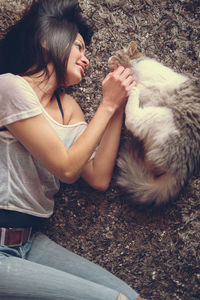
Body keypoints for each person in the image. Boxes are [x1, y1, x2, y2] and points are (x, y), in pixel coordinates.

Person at [0, 0, 144, 299]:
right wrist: (105, 105)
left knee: (130, 296)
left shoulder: (69, 108)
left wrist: (116, 104)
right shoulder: (10, 88)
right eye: (79, 46)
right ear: (46, 41)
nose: (86, 58)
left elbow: (97, 176)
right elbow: (66, 168)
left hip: (30, 241)